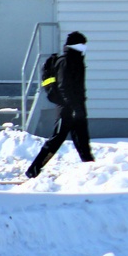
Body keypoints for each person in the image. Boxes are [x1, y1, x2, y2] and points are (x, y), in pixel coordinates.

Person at [26, 32, 95, 178]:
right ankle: (33, 170)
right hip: (67, 109)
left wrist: (79, 107)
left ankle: (91, 171)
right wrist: (74, 107)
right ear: (76, 45)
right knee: (57, 139)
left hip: (77, 107)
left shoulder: (76, 59)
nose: (85, 47)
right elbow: (64, 87)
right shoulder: (66, 61)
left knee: (82, 140)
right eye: (83, 44)